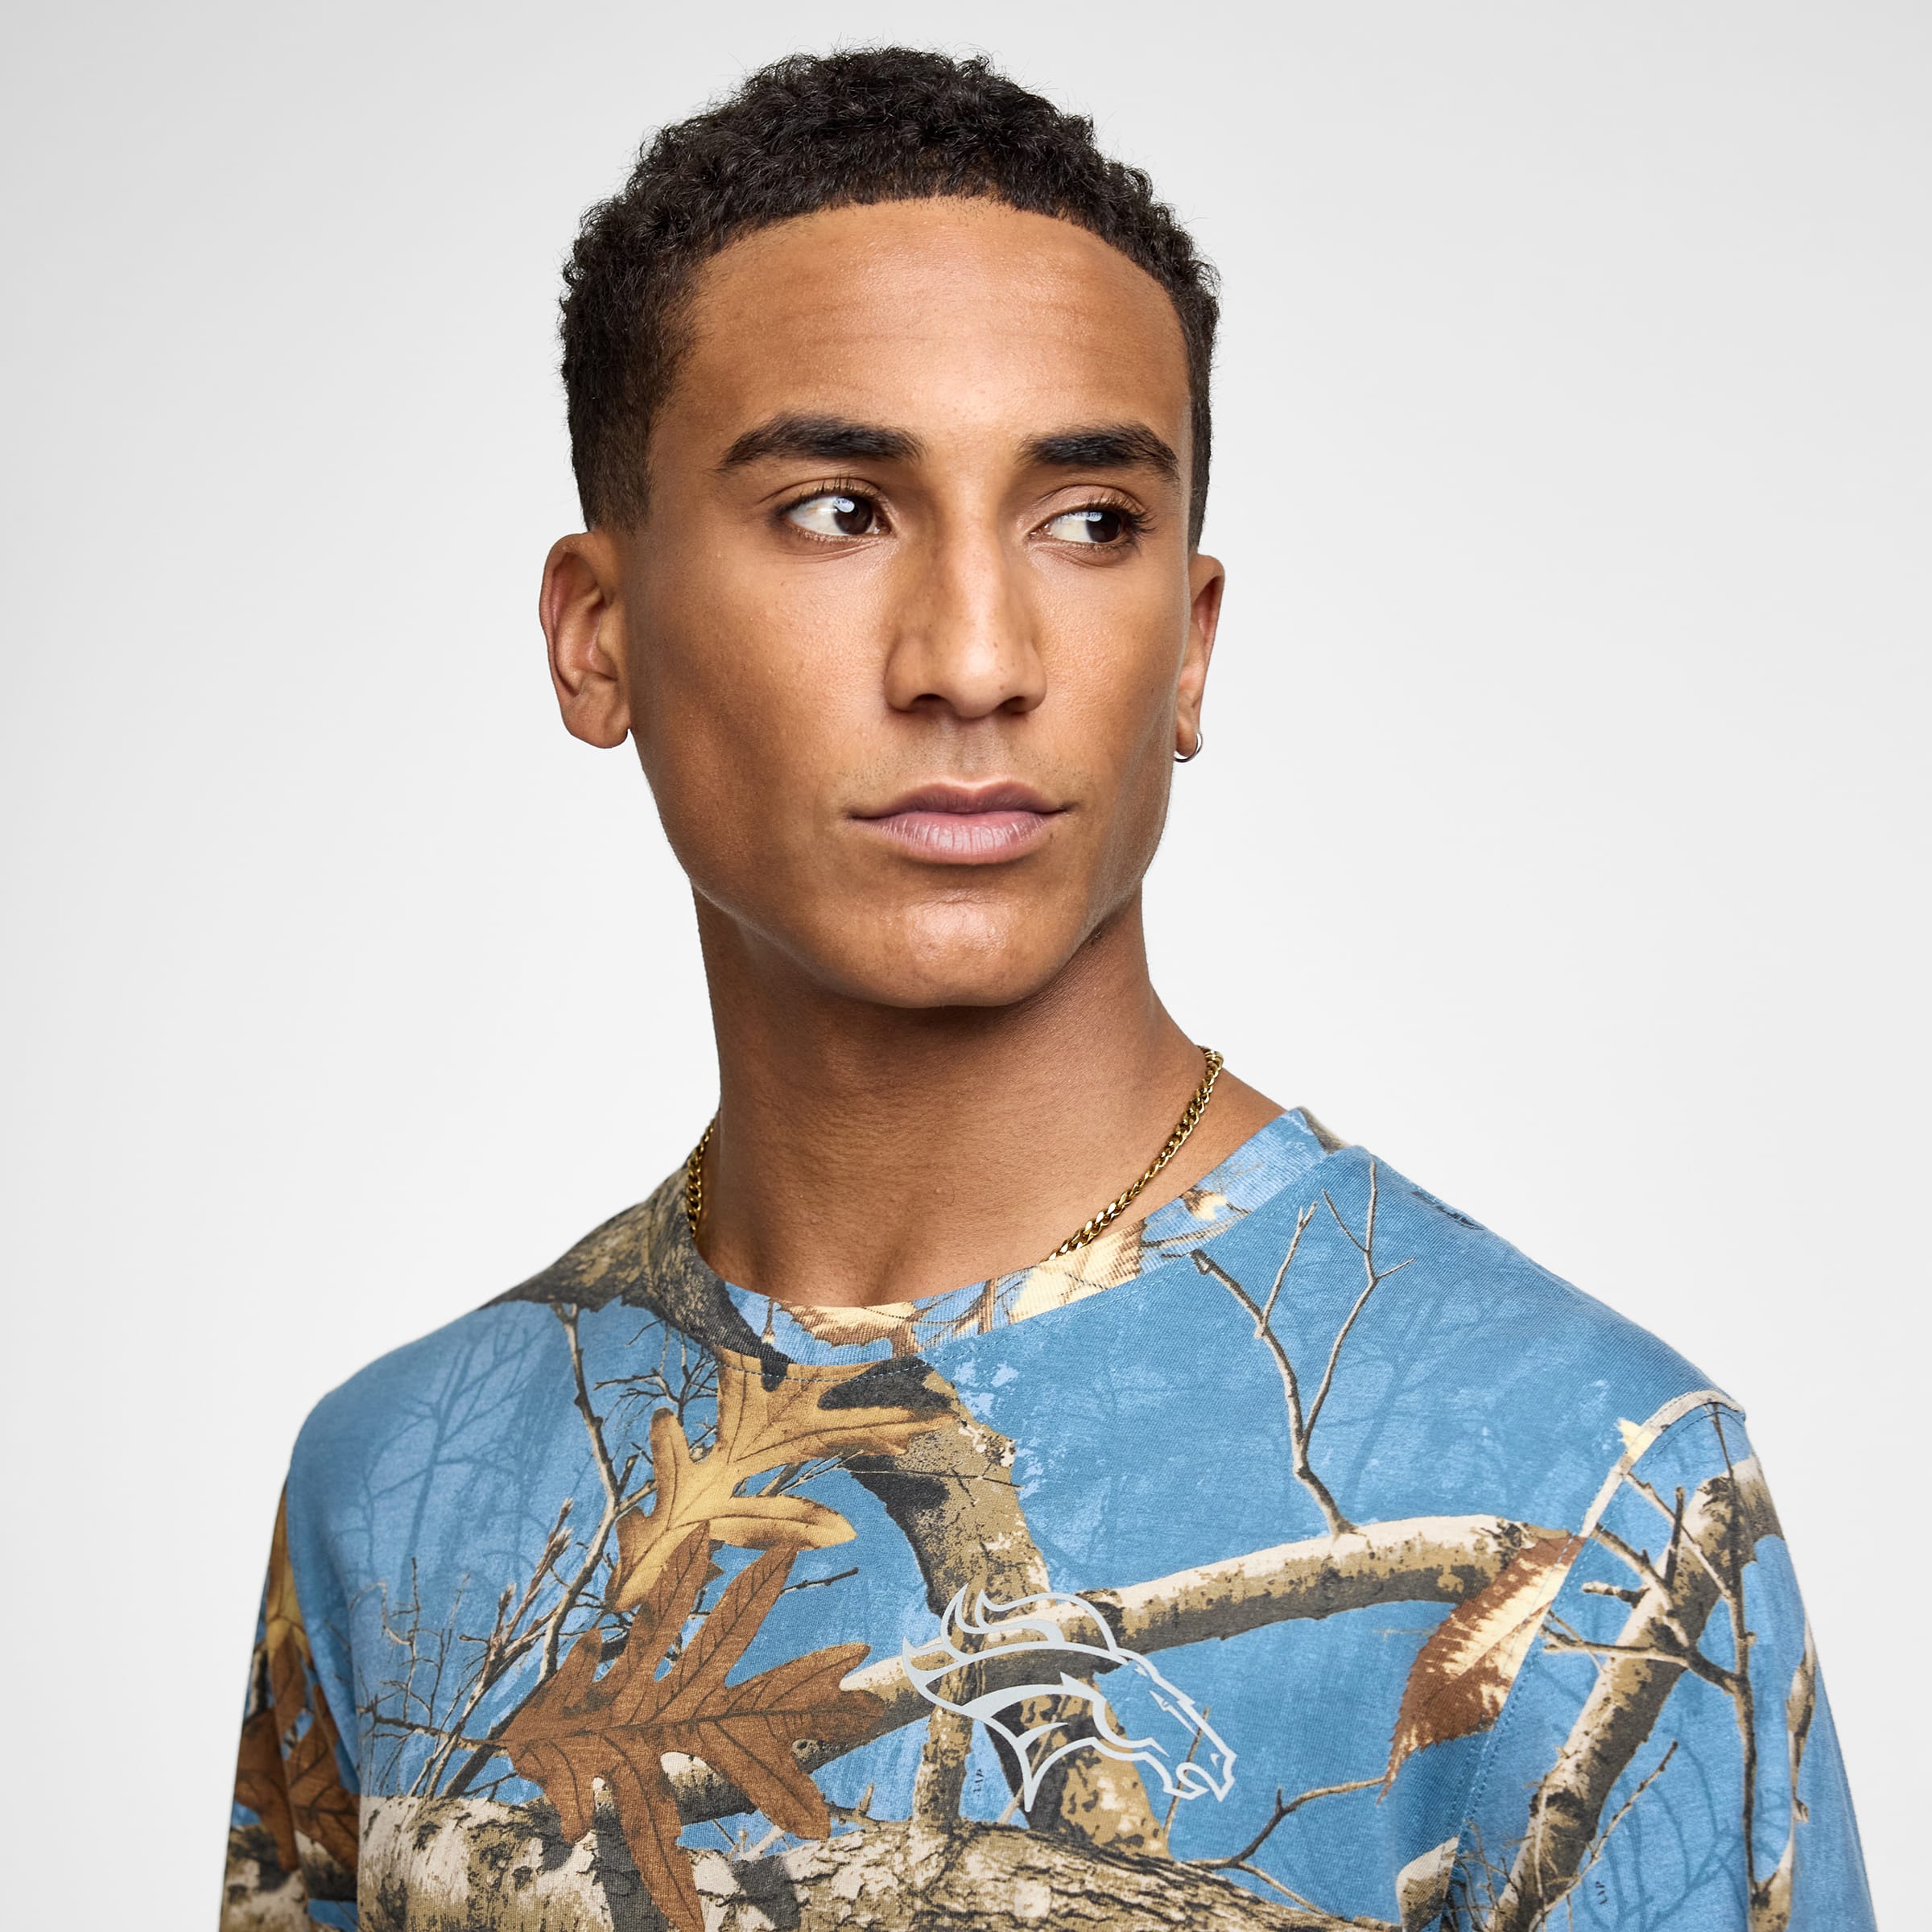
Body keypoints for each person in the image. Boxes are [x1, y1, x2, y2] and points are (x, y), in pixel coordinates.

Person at [219, 47, 1872, 1932]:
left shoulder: (1590, 1491)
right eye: (839, 509)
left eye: (1089, 520)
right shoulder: (396, 1492)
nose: (976, 657)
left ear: (1191, 646)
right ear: (596, 637)